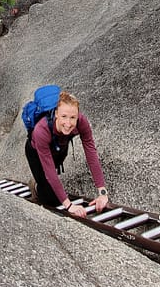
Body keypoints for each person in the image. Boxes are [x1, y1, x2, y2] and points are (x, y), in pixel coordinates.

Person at [25, 90, 109, 218]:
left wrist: (102, 193)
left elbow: (91, 153)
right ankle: (36, 186)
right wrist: (69, 206)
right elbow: (50, 173)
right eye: (64, 116)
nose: (68, 123)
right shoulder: (41, 130)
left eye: (72, 118)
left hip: (59, 148)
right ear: (57, 114)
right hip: (36, 152)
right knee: (51, 199)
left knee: (55, 191)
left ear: (77, 116)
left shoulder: (82, 122)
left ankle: (47, 187)